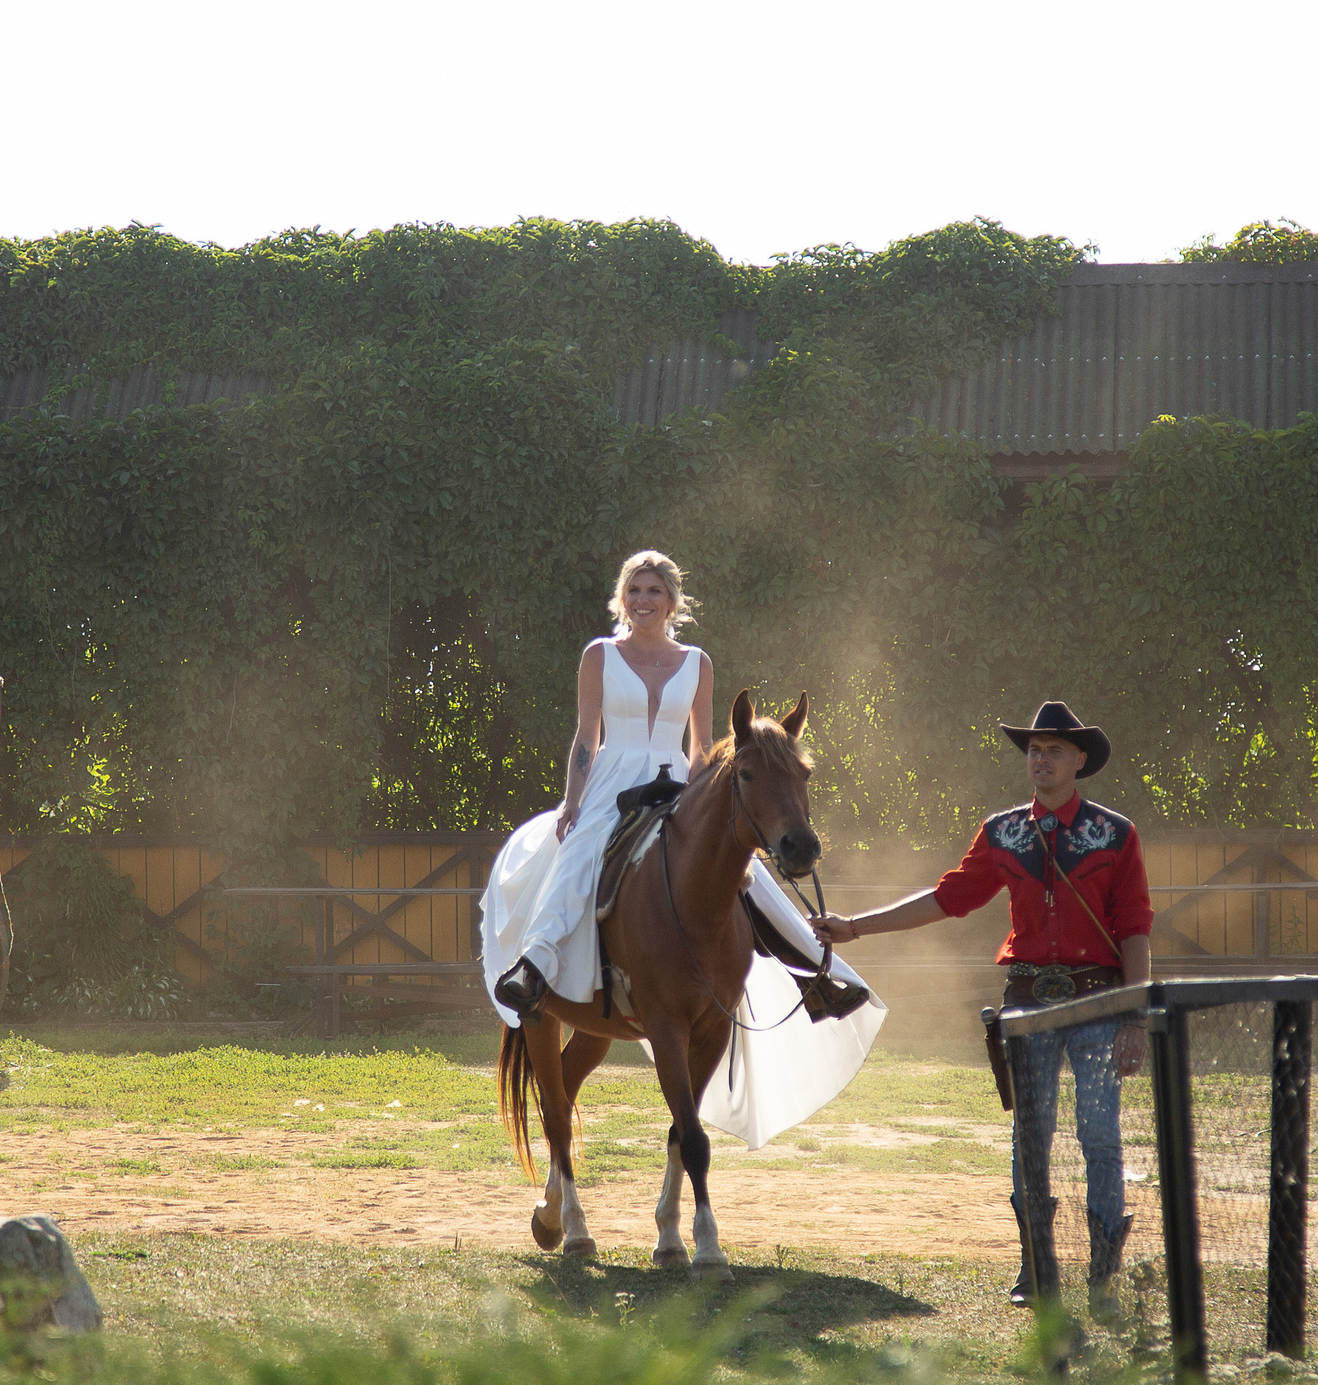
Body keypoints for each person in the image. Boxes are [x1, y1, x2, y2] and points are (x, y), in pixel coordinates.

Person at [481, 551, 881, 1149]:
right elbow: (585, 738)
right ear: (623, 599)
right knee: (579, 859)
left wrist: (704, 810)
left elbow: (701, 747)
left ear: (672, 601)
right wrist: (572, 803)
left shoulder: (697, 662)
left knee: (746, 880)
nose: (644, 600)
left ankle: (817, 973)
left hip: (678, 786)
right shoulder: (600, 655)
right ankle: (535, 967)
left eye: (655, 591)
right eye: (634, 590)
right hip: (612, 785)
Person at [812, 701, 1152, 1310]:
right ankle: (1036, 1268)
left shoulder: (1116, 834)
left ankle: (1104, 1272)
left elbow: (1134, 929)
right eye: (1033, 750)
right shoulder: (1002, 832)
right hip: (1026, 998)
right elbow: (949, 898)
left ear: (1079, 760)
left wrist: (1135, 1017)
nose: (1040, 760)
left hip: (1100, 999)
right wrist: (854, 928)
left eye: (1053, 750)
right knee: (1031, 1133)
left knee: (1098, 1133)